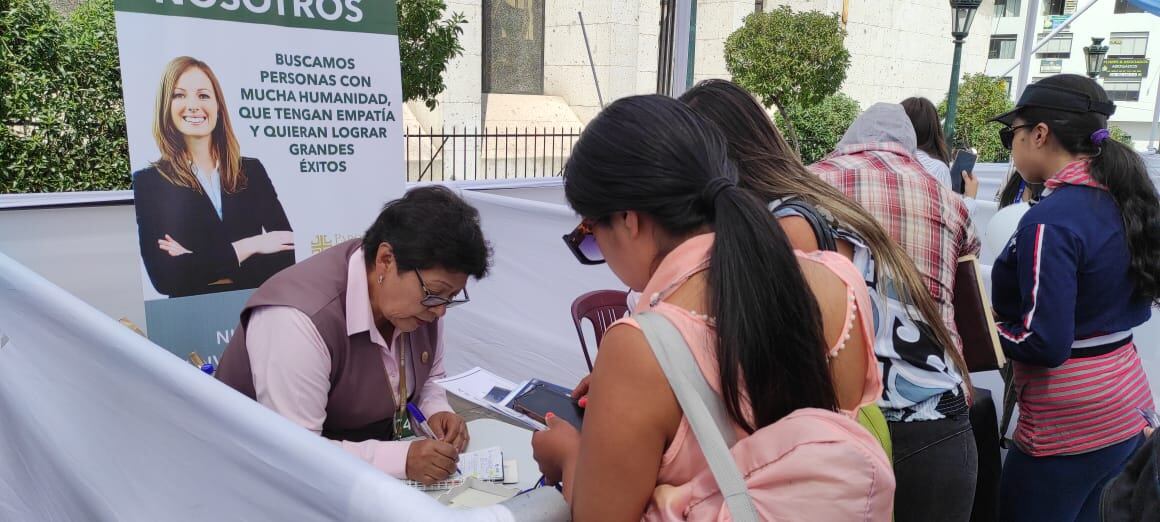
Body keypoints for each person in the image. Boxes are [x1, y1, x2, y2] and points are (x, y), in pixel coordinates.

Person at [532, 95, 892, 520]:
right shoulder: (839, 282)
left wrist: (569, 456)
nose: (600, 252)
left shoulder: (641, 348)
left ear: (628, 219)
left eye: (591, 233)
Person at [215, 186, 491, 485]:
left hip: (356, 479)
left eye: (451, 297)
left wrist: (436, 411)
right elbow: (296, 453)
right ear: (385, 260)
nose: (440, 311)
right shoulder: (297, 320)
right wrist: (402, 460)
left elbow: (430, 378)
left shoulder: (419, 303)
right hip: (259, 481)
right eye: (436, 293)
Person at [988, 74, 1160, 522]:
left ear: (1039, 134)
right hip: (1125, 401)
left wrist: (982, 330)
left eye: (1012, 134)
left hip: (1066, 421)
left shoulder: (1050, 220)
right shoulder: (1123, 200)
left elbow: (1045, 342)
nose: (1011, 146)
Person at [805, 101, 981, 522]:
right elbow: (967, 274)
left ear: (848, 140)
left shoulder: (807, 186)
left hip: (833, 414)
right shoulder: (950, 201)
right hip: (934, 413)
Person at [133, 56, 295, 298]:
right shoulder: (149, 183)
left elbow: (286, 254)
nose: (193, 106)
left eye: (203, 95)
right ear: (166, 106)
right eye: (179, 95)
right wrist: (251, 245)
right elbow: (166, 278)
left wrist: (194, 261)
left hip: (253, 305)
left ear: (218, 105)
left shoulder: (252, 171)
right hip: (192, 313)